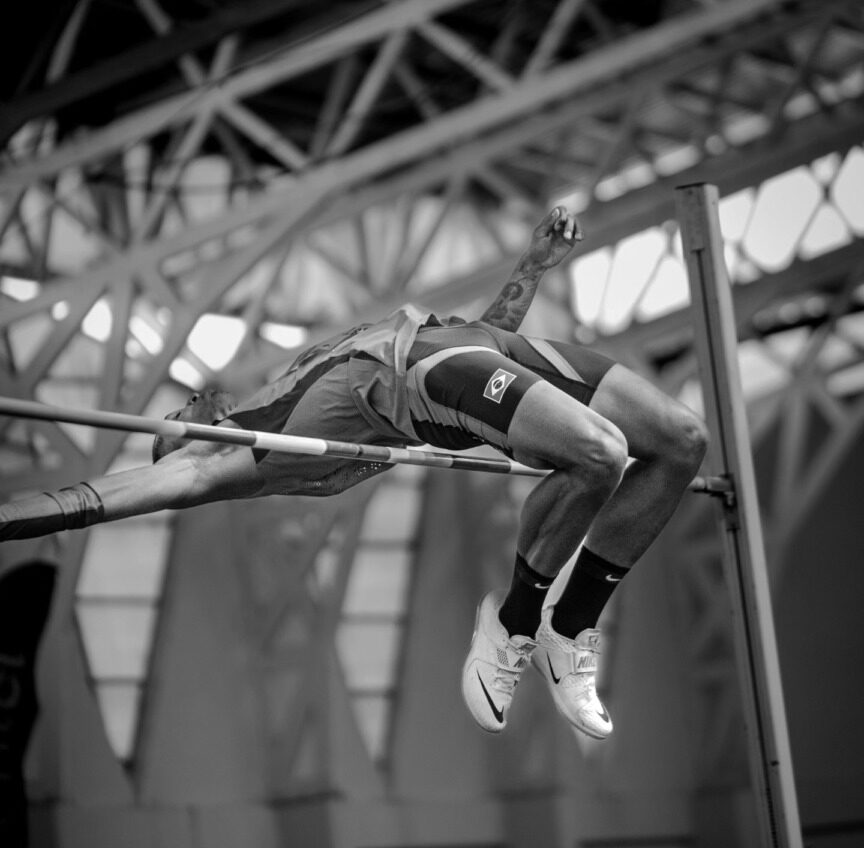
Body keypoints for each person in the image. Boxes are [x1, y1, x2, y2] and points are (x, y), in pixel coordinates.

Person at [0, 206, 708, 741]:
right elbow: (126, 492)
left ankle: (570, 624)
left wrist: (533, 265)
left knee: (680, 440)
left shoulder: (275, 389)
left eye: (184, 405)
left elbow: (482, 336)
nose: (191, 402)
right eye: (182, 418)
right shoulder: (234, 453)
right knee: (600, 455)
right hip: (419, 378)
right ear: (188, 445)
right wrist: (20, 513)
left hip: (475, 344)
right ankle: (515, 626)